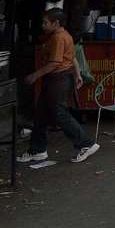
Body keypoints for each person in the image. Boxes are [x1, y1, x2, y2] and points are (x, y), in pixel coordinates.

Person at [17, 10, 99, 164]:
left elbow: (55, 63)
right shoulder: (64, 35)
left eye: (45, 23)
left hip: (58, 79)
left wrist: (35, 75)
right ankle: (37, 150)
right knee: (40, 114)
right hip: (59, 78)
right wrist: (77, 74)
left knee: (59, 114)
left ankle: (86, 144)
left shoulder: (58, 38)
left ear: (56, 23)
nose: (43, 26)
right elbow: (72, 56)